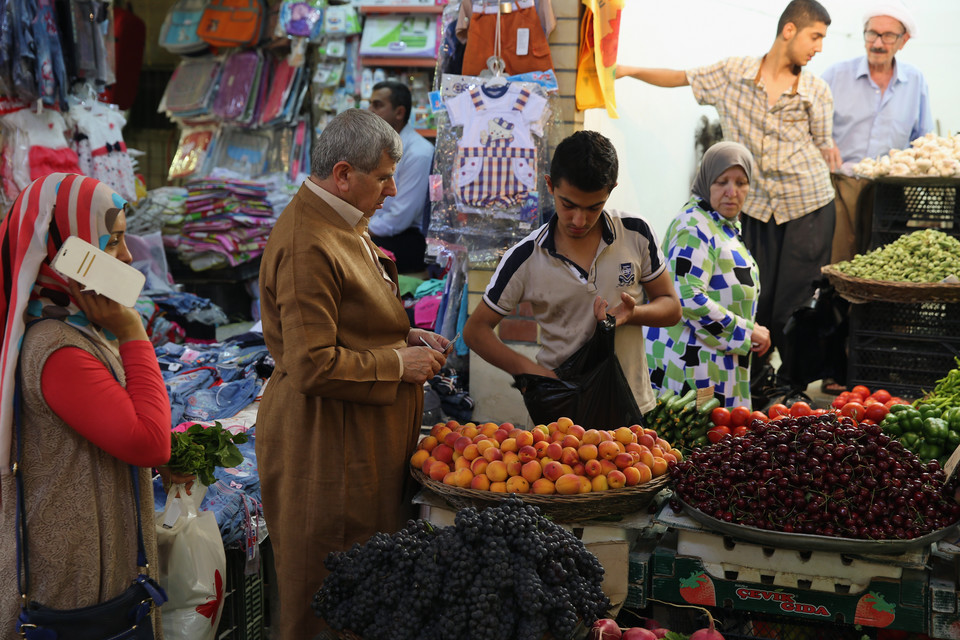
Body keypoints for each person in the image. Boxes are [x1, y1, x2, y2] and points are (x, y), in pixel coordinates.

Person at [257, 109, 449, 638]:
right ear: (344, 174)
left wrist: (404, 337)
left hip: (357, 444)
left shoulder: (342, 222)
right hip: (326, 447)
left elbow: (349, 326)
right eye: (385, 176)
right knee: (327, 597)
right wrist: (397, 362)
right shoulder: (307, 243)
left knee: (365, 591)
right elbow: (311, 364)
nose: (392, 190)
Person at [617, 0, 837, 393]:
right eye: (815, 36)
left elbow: (825, 146)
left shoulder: (816, 91)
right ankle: (752, 376)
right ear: (789, 30)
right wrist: (626, 70)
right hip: (752, 205)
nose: (818, 47)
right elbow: (681, 77)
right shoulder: (733, 73)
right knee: (754, 293)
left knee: (797, 303)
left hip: (805, 203)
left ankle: (787, 386)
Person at [0, 174, 171, 635]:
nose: (129, 256)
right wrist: (133, 333)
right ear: (67, 251)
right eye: (112, 240)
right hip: (74, 586)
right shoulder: (58, 349)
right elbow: (150, 442)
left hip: (85, 569)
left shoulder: (70, 329)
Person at [463, 130, 681, 416]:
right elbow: (475, 331)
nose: (580, 220)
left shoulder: (636, 233)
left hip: (631, 407)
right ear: (550, 186)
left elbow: (671, 307)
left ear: (611, 190)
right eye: (568, 205)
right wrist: (532, 373)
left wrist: (633, 314)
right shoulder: (526, 256)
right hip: (560, 415)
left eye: (594, 207)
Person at [645, 142, 772, 409]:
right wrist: (746, 332)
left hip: (711, 367)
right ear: (705, 181)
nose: (732, 191)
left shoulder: (720, 225)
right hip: (690, 372)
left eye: (741, 182)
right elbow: (687, 298)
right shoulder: (693, 225)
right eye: (721, 181)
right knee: (691, 446)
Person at [821, 0, 931, 263]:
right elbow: (810, 124)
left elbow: (923, 140)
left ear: (903, 41)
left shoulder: (915, 81)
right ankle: (835, 304)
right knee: (840, 262)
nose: (878, 43)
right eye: (872, 34)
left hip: (890, 189)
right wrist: (825, 141)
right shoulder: (836, 75)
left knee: (884, 261)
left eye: (888, 36)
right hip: (841, 184)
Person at [366, 79, 434, 273]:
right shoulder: (379, 147)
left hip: (408, 241)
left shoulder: (419, 153)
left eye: (377, 105)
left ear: (399, 112)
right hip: (382, 230)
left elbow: (400, 218)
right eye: (370, 103)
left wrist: (359, 229)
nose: (369, 110)